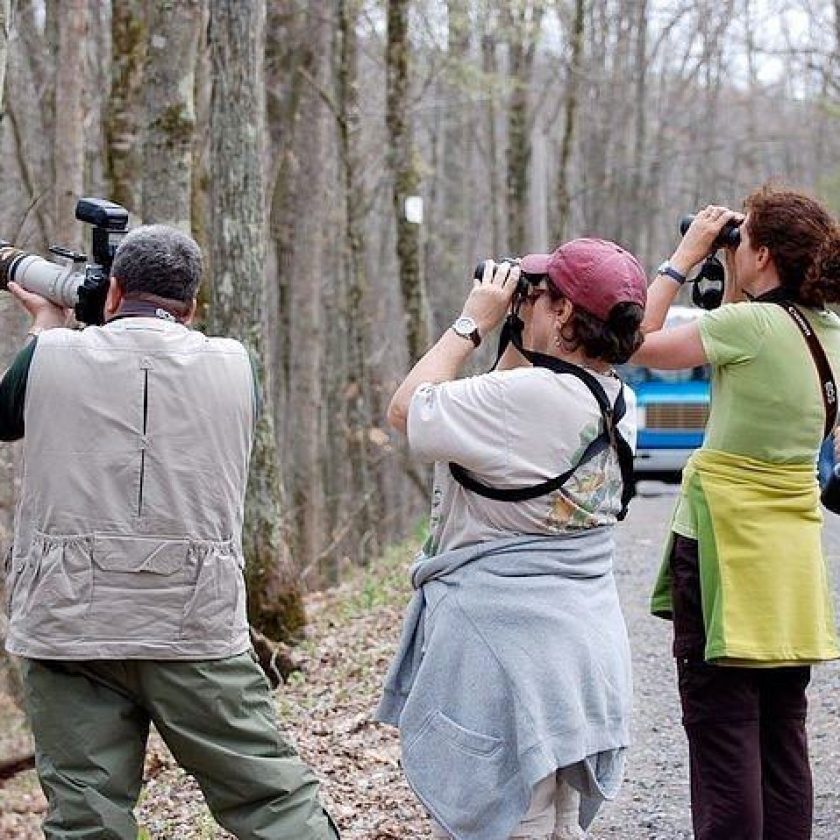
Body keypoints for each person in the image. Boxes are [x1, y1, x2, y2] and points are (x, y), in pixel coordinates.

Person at [0, 225, 338, 840]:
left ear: (114, 290)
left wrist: (47, 326)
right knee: (272, 801)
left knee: (86, 818)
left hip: (69, 625)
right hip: (194, 625)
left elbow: (6, 417)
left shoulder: (49, 356)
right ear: (195, 303)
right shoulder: (236, 365)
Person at [376, 239, 647, 840]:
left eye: (542, 293)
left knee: (509, 820)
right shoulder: (617, 399)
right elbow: (494, 416)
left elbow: (406, 409)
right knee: (559, 822)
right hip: (580, 649)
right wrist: (523, 330)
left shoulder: (527, 400)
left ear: (564, 315)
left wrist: (473, 321)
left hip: (508, 654)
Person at [635, 185, 840, 840]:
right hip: (789, 563)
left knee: (724, 735)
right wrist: (731, 274)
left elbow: (634, 340)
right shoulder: (829, 333)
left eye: (742, 239)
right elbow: (739, 353)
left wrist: (684, 258)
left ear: (765, 254)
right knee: (783, 735)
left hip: (722, 550)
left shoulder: (747, 327)